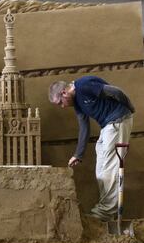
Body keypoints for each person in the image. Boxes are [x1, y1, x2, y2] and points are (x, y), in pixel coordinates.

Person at [49, 75, 135, 221]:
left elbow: (115, 92)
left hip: (118, 121)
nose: (62, 107)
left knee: (110, 167)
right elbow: (84, 127)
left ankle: (105, 212)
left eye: (60, 103)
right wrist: (78, 154)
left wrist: (129, 108)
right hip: (107, 126)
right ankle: (106, 209)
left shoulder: (84, 85)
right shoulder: (77, 103)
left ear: (64, 92)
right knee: (101, 169)